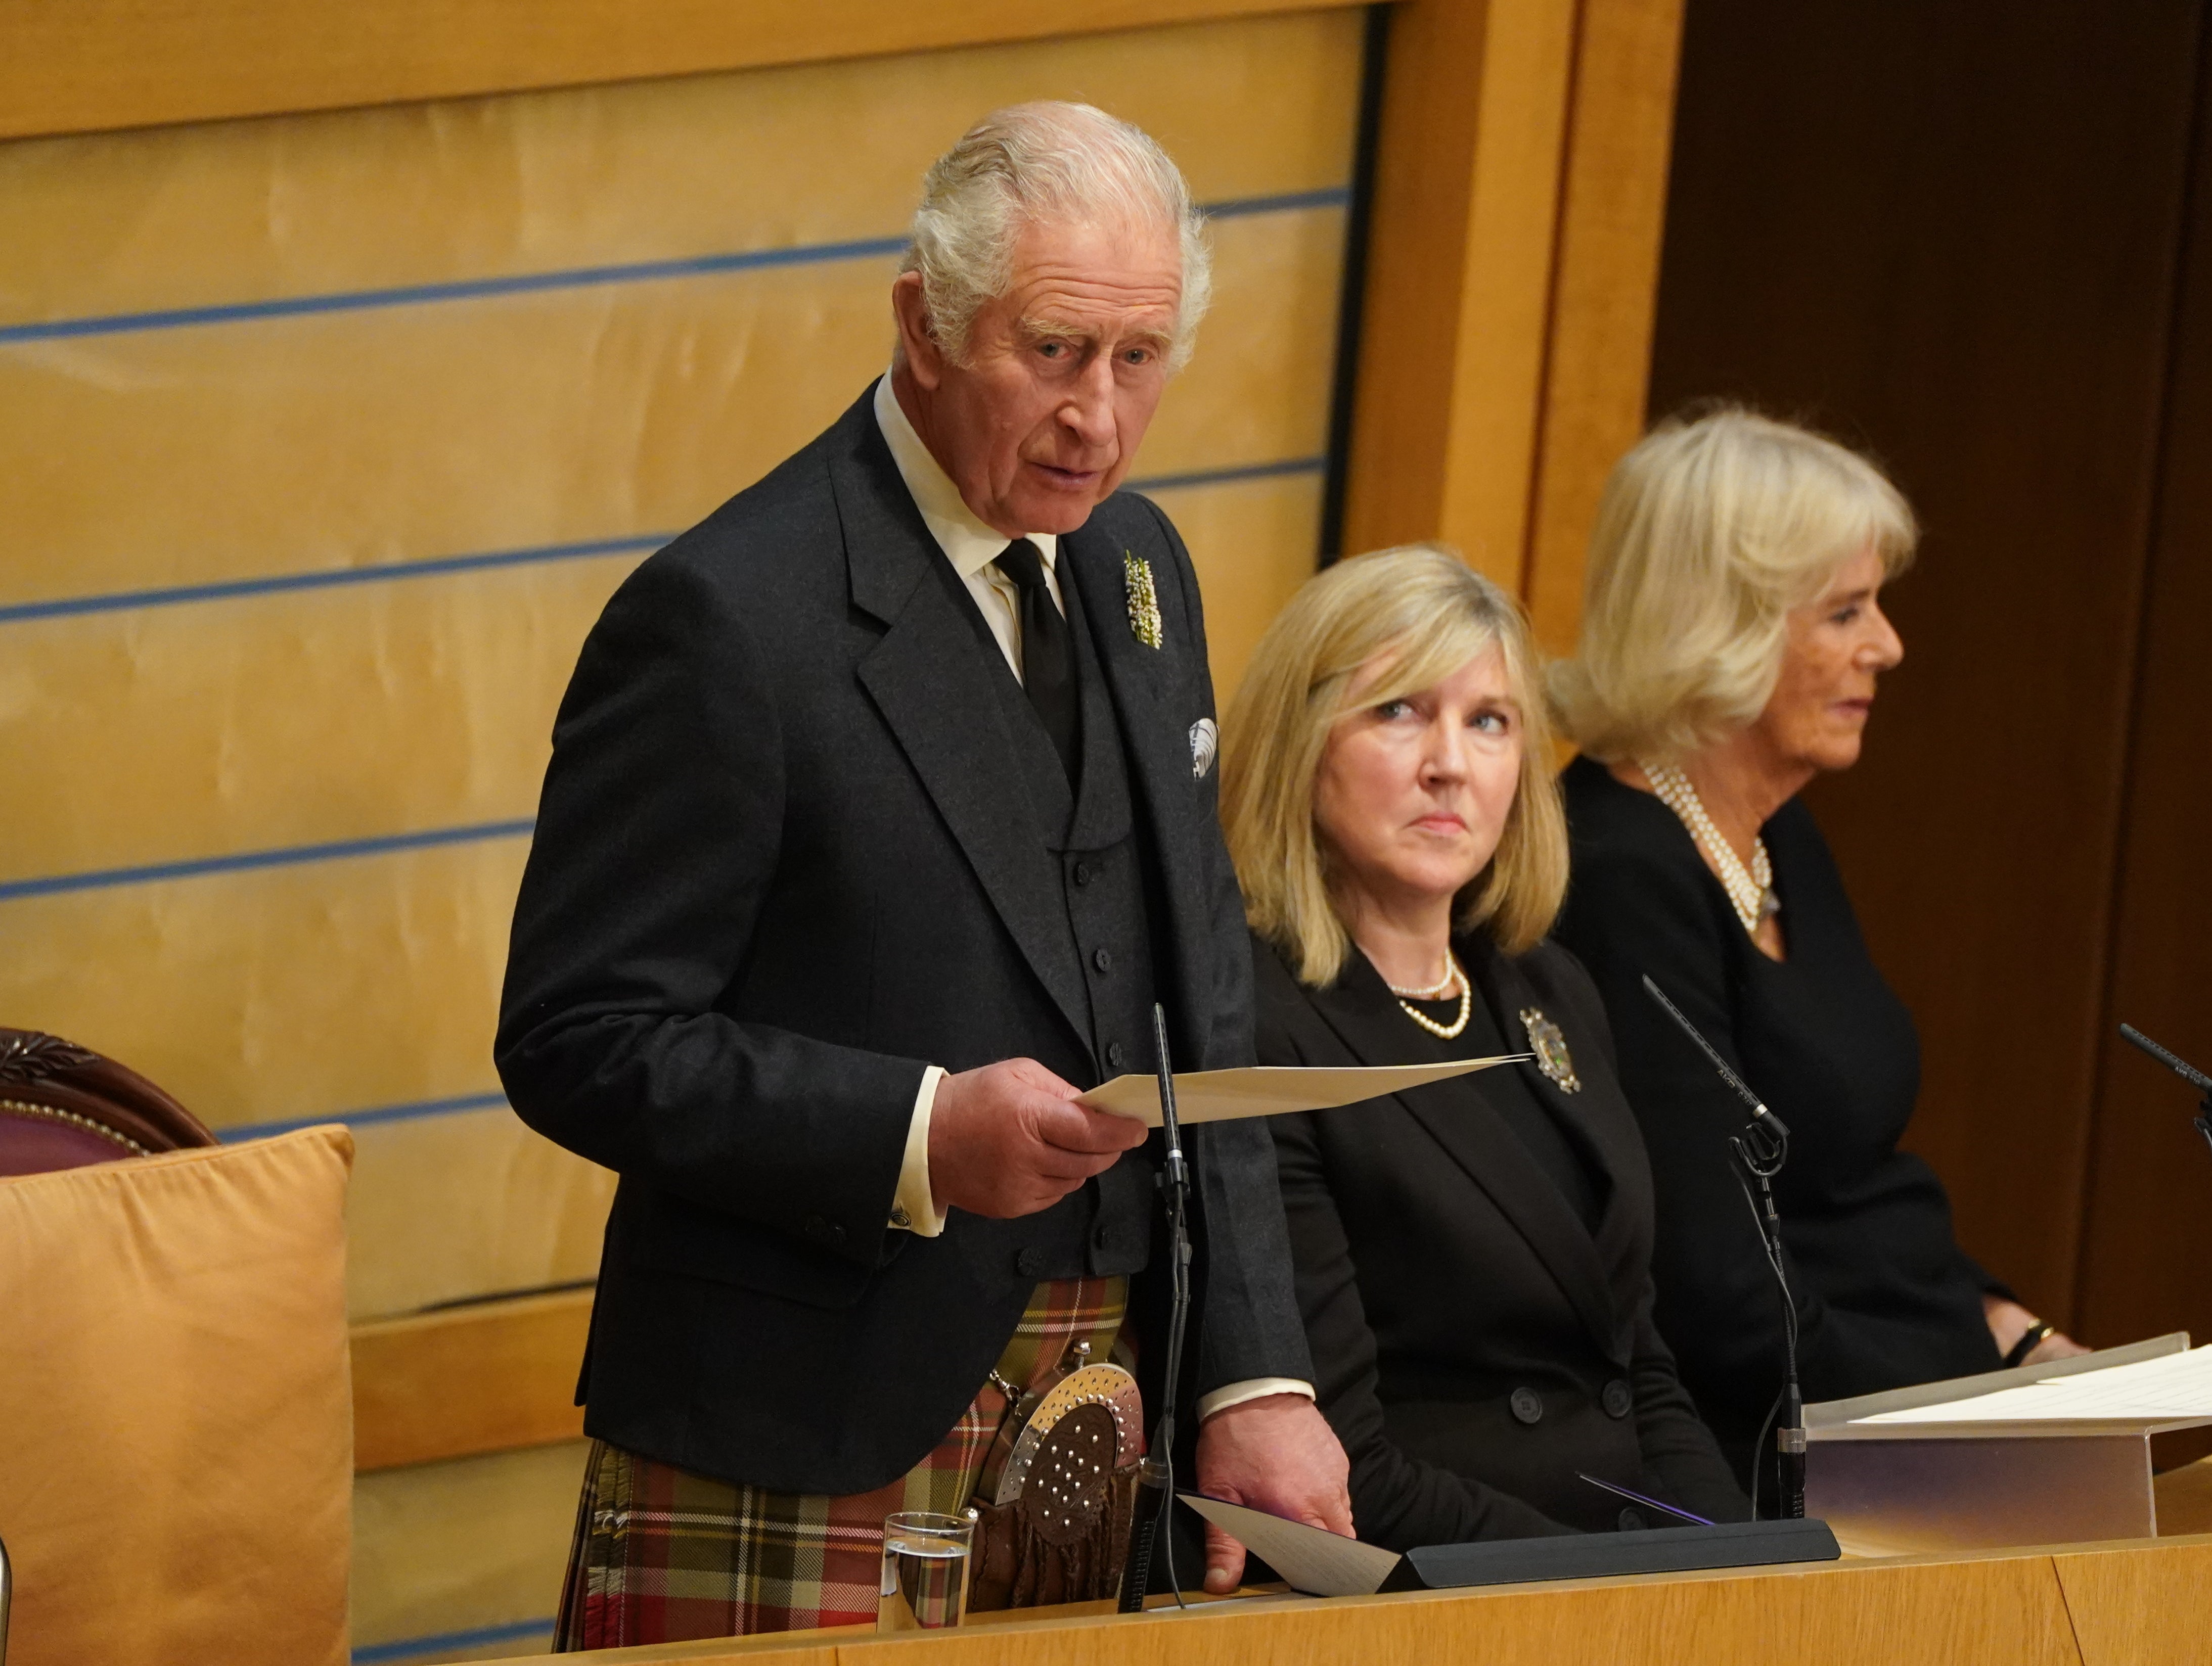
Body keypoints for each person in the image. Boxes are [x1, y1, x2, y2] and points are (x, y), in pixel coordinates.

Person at [495, 103, 1349, 1646]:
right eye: (1054, 352)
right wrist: (913, 1132)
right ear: (926, 323)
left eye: (1139, 360)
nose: (1099, 415)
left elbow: (1201, 1006)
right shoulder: (728, 616)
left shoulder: (1140, 568)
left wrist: (1252, 1373)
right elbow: (579, 1040)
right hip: (800, 1428)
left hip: (1113, 1414)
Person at [1550, 407, 2087, 1483]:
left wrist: (2009, 1325)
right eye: (1847, 611)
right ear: (1721, 627)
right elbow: (1714, 1293)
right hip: (1773, 1452)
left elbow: (1849, 1177)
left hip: (1914, 1382)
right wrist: (1976, 1421)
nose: (1888, 644)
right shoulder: (1620, 876)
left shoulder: (1777, 833)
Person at [1218, 546, 1750, 1549]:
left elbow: (1635, 1362)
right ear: (1303, 743)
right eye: (1398, 711)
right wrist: (1615, 1591)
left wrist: (1733, 1561)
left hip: (1615, 1559)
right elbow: (1346, 1463)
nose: (1449, 764)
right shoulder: (1253, 1019)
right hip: (1435, 1583)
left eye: (1489, 722)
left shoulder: (1548, 986)